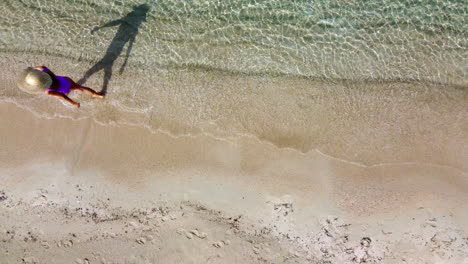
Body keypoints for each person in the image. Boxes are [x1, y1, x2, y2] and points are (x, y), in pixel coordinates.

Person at [16, 66, 104, 108]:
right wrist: (33, 69)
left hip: (62, 89)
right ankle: (96, 94)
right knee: (79, 88)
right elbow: (42, 67)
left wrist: (73, 103)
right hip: (65, 80)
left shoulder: (48, 91)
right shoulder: (48, 73)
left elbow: (62, 96)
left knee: (62, 96)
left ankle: (95, 94)